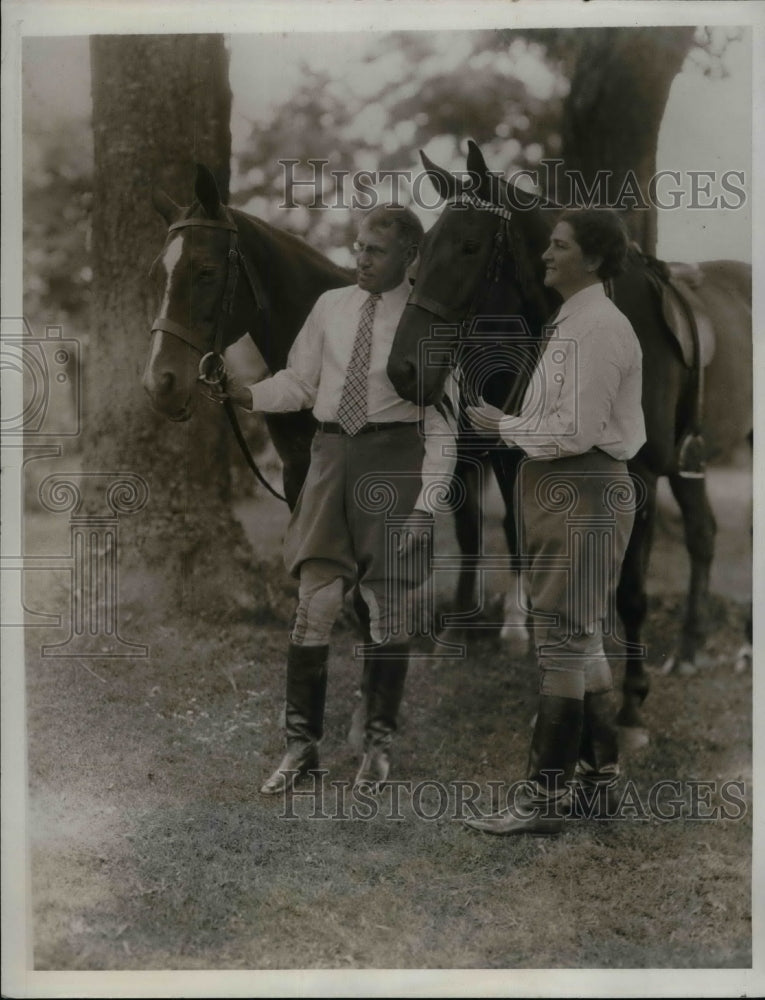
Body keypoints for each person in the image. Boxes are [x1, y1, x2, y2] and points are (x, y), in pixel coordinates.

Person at [212, 204, 455, 795]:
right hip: (328, 460)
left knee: (387, 610)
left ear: (410, 257)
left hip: (392, 464)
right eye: (358, 247)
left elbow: (443, 426)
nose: (360, 259)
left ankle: (377, 747)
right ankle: (301, 747)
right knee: (313, 606)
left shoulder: (427, 320)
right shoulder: (331, 307)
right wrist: (246, 395)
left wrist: (426, 506)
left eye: (375, 250)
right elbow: (300, 383)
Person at [464, 208, 646, 835]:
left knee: (564, 641)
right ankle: (598, 784)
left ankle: (541, 801)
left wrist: (504, 426)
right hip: (563, 488)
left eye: (560, 245)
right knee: (578, 636)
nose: (546, 253)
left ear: (592, 259)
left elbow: (576, 430)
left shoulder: (599, 327)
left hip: (583, 489)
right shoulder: (573, 320)